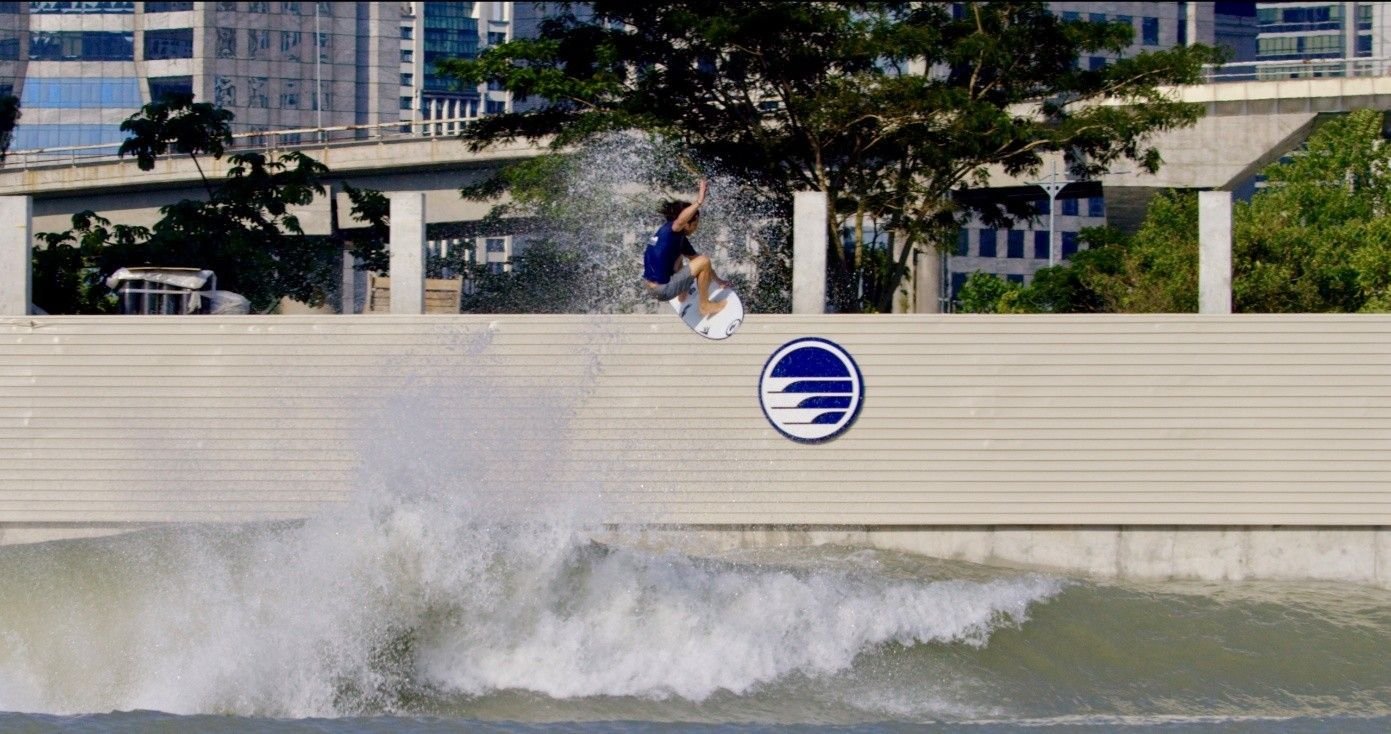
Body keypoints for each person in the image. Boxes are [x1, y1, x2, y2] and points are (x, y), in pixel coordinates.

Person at [643, 178, 727, 318]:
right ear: (687, 223)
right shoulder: (672, 230)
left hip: (650, 286)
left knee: (684, 258)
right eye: (695, 224)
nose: (696, 228)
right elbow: (680, 222)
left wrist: (718, 280)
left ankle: (683, 295)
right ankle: (705, 306)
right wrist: (699, 201)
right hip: (663, 288)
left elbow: (697, 261)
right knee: (704, 260)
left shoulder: (672, 237)